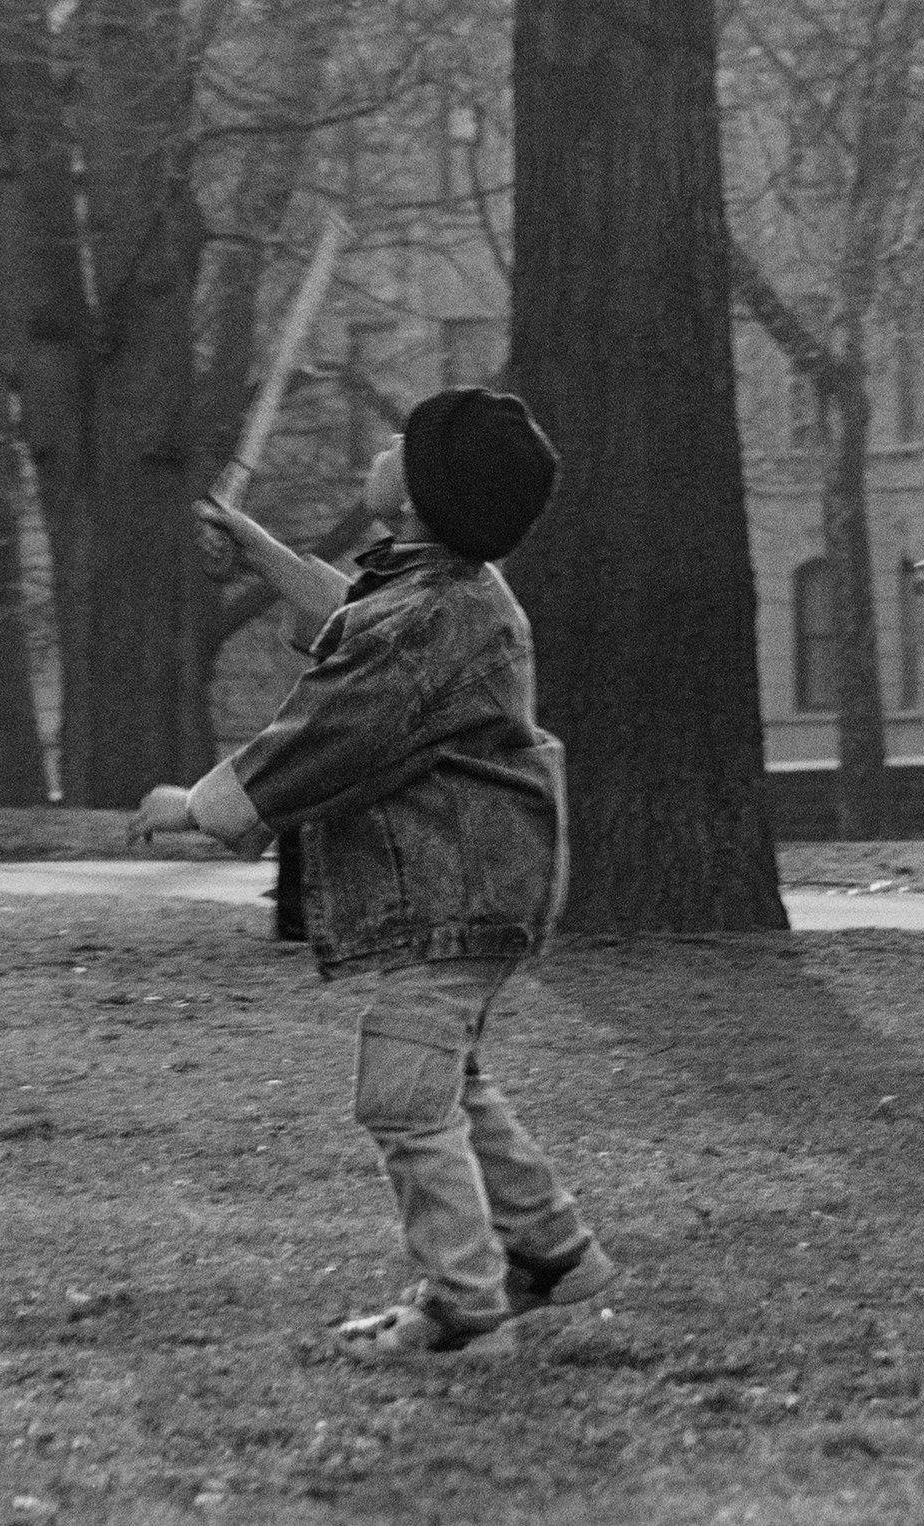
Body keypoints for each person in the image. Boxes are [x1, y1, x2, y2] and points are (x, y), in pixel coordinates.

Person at [128, 388, 615, 1357]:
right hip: (477, 887)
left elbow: (329, 730)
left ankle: (464, 1310)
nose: (385, 442)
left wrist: (200, 806)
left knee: (401, 1095)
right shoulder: (440, 595)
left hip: (455, 892)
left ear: (424, 493)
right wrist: (256, 547)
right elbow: (352, 615)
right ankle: (553, 1250)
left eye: (406, 441)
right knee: (448, 1079)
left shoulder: (427, 619)